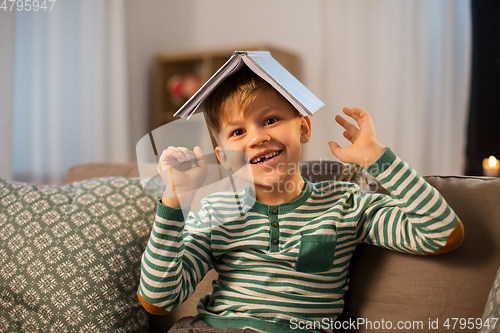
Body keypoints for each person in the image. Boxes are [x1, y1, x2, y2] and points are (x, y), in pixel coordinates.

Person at [137, 67, 464, 333]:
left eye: (270, 120)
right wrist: (176, 200)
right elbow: (158, 299)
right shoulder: (214, 211)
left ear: (304, 128)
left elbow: (441, 233)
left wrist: (377, 159)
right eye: (238, 132)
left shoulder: (346, 204)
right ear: (224, 157)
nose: (257, 137)